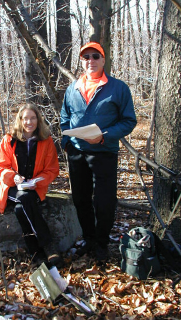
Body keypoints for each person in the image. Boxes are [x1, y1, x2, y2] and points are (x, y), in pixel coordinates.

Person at [60, 42, 137, 263]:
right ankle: (89, 240)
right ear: (82, 62)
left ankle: (102, 243)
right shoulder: (72, 88)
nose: (91, 61)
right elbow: (65, 118)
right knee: (80, 199)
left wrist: (104, 135)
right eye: (86, 57)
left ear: (103, 60)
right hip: (77, 153)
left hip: (104, 152)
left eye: (95, 56)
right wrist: (66, 142)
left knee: (104, 202)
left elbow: (129, 121)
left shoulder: (118, 88)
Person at [0, 104, 62, 266]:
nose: (29, 122)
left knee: (21, 208)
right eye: (25, 118)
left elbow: (52, 169)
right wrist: (14, 177)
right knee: (24, 198)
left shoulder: (46, 141)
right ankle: (49, 245)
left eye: (33, 118)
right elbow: (0, 167)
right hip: (11, 187)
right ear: (20, 120)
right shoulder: (9, 140)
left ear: (38, 120)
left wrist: (37, 182)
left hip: (33, 187)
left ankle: (36, 254)